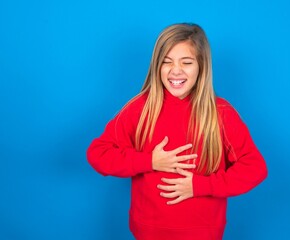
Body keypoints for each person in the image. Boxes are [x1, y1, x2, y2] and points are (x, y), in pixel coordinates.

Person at [87, 23, 267, 240]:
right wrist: (150, 161)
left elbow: (254, 168)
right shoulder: (140, 109)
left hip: (203, 233)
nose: (176, 70)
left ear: (201, 66)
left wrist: (200, 186)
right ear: (157, 66)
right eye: (167, 62)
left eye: (187, 62)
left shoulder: (221, 114)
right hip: (148, 231)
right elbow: (98, 154)